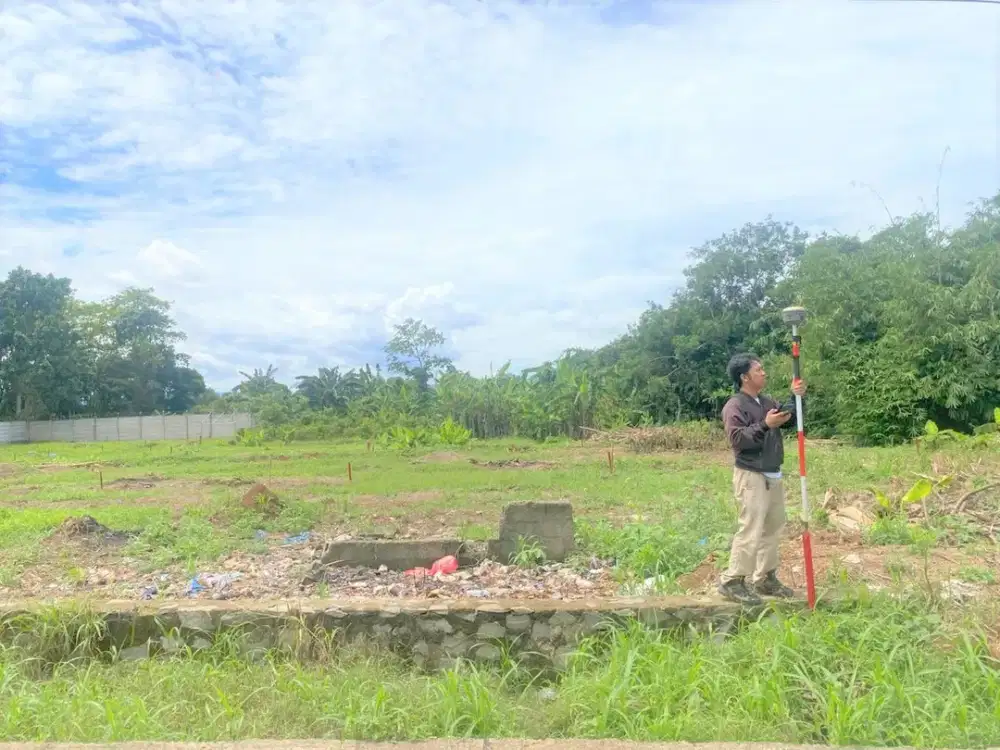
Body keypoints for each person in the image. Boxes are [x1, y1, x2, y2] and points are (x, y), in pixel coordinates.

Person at [717, 352, 806, 605]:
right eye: (759, 370)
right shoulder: (734, 406)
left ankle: (765, 578)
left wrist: (795, 398)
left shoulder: (766, 401)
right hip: (751, 474)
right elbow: (737, 440)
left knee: (772, 527)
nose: (764, 373)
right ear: (745, 377)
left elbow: (790, 420)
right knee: (751, 527)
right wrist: (765, 425)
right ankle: (732, 580)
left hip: (773, 472)